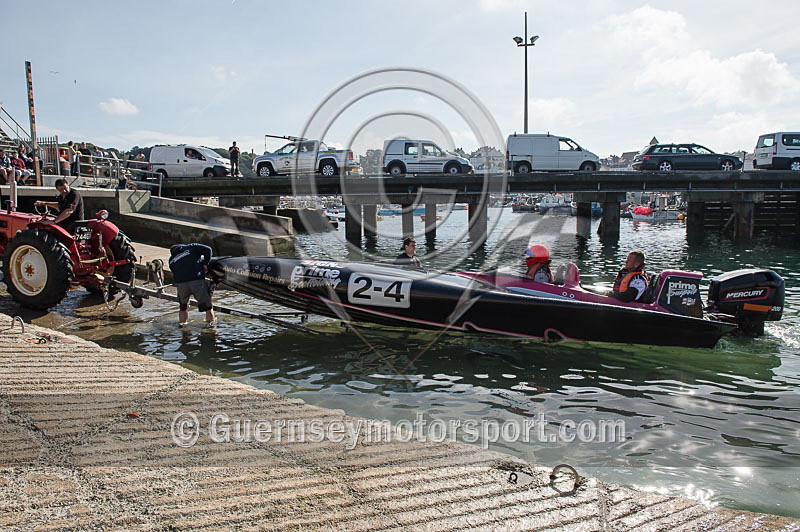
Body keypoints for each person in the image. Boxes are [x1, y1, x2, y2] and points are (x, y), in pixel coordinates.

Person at [169, 243, 216, 329]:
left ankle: (183, 325)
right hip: (197, 281)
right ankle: (211, 326)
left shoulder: (171, 260)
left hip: (181, 285)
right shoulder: (191, 247)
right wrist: (205, 263)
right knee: (208, 307)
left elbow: (174, 272)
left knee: (183, 307)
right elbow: (208, 249)